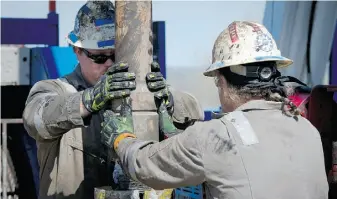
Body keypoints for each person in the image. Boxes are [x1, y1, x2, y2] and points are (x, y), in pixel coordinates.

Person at [100, 21, 329, 199]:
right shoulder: (308, 130)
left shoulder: (215, 136)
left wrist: (121, 138)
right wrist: (175, 134)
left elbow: (143, 165)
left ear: (221, 80)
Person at [22, 1, 203, 198]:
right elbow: (36, 118)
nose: (109, 64)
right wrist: (90, 99)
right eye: (100, 57)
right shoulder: (54, 90)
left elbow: (194, 110)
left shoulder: (139, 91)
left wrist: (169, 100)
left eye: (115, 55)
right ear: (77, 50)